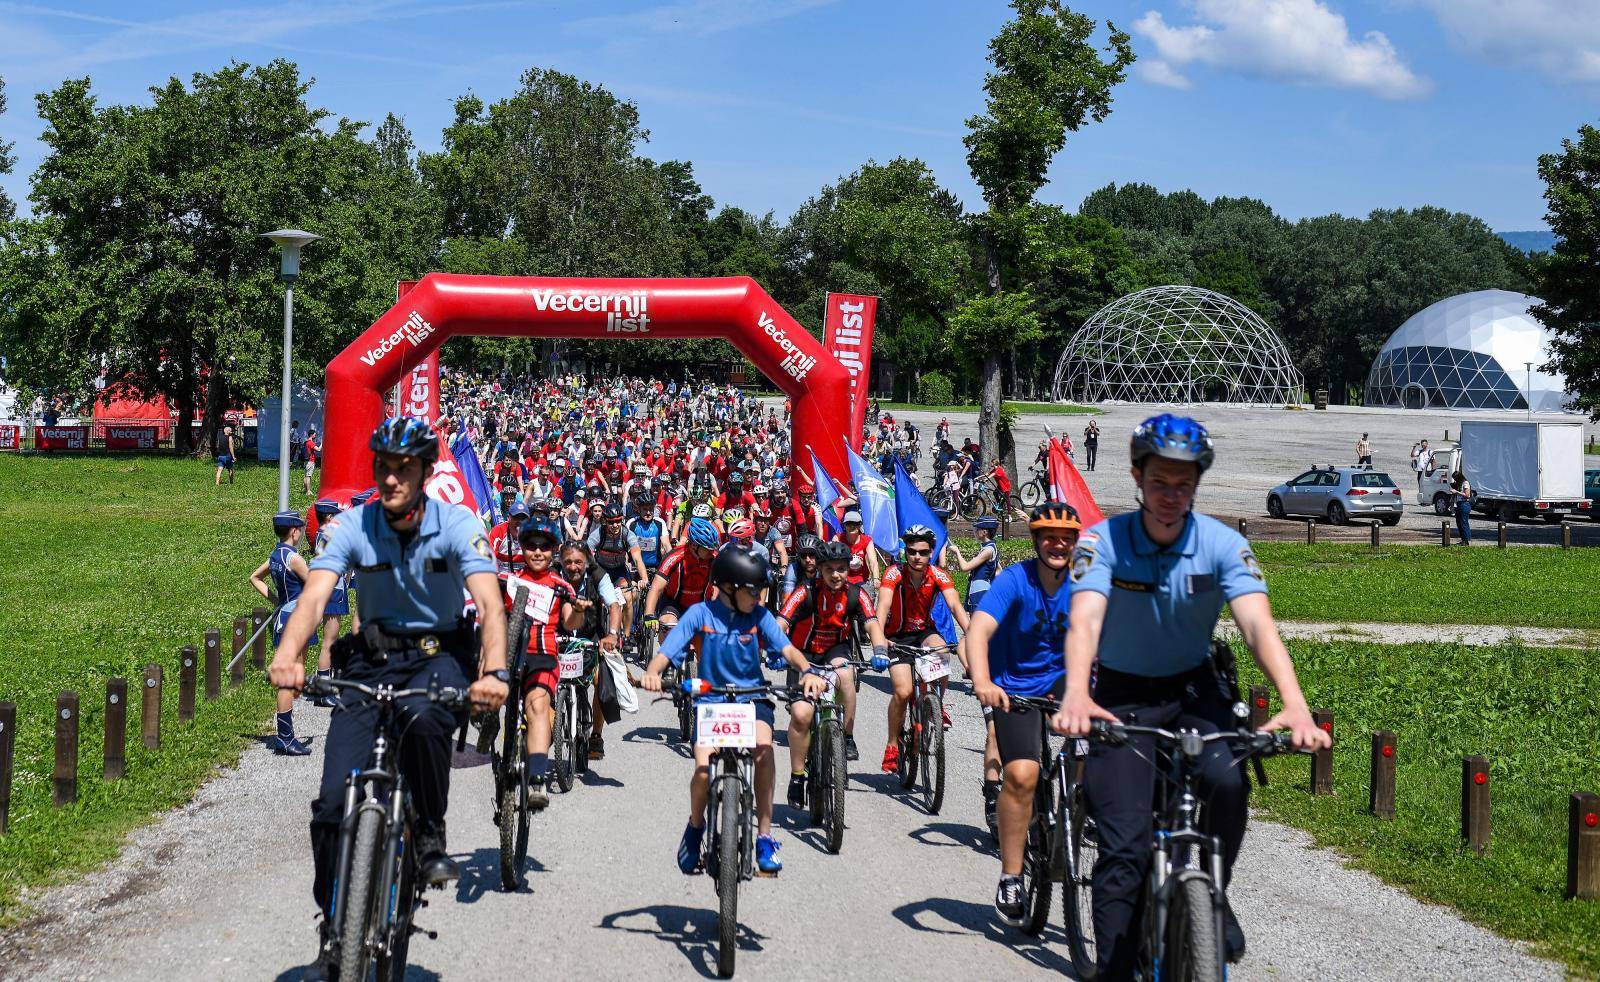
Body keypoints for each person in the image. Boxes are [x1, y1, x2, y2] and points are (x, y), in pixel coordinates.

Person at [1052, 413, 1330, 977]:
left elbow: (1258, 627)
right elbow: (1084, 621)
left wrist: (1295, 703)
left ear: (1197, 484)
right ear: (1137, 476)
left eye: (1184, 484)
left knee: (1228, 778)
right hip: (1121, 695)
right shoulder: (1102, 542)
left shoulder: (1223, 544)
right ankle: (1114, 969)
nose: (1171, 496)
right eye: (1159, 482)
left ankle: (1212, 892)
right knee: (1124, 848)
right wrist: (1077, 694)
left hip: (1195, 688)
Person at [268, 417, 510, 981]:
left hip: (438, 657)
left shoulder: (458, 523)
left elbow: (491, 603)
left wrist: (494, 670)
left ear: (425, 473)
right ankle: (337, 922)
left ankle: (428, 830)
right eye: (383, 467)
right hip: (370, 661)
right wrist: (290, 654)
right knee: (331, 805)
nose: (392, 477)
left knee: (427, 723)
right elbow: (314, 597)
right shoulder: (352, 524)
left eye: (404, 468)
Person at [641, 546, 827, 876]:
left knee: (764, 750)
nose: (759, 596)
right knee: (702, 769)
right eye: (753, 589)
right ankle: (695, 827)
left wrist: (808, 671)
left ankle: (765, 836)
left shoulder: (759, 615)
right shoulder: (699, 614)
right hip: (711, 702)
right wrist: (654, 672)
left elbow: (787, 649)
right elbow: (669, 649)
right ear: (729, 587)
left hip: (752, 697)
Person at [966, 502, 1080, 923]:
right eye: (1049, 536)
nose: (1058, 544)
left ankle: (1079, 810)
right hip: (1015, 691)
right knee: (1022, 775)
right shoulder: (1015, 580)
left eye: (1066, 538)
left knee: (1095, 752)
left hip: (1069, 689)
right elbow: (979, 629)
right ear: (1035, 541)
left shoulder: (1084, 582)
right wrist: (983, 682)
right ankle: (1012, 874)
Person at [777, 541, 889, 771]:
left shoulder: (856, 594)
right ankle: (797, 775)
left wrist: (879, 651)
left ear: (849, 569)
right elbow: (781, 623)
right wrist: (774, 649)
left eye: (841, 569)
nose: (836, 575)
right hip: (803, 654)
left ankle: (847, 736)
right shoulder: (805, 591)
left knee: (846, 676)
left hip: (835, 650)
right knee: (801, 715)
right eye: (829, 569)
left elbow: (872, 624)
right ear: (819, 569)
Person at [876, 524, 969, 770]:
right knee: (903, 692)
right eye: (912, 551)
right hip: (896, 636)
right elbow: (883, 605)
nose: (917, 557)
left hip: (924, 633)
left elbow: (956, 606)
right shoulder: (893, 574)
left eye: (923, 552)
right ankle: (892, 744)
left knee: (942, 649)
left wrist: (972, 633)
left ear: (931, 553)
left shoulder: (938, 575)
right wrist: (880, 640)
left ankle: (937, 703)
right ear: (905, 552)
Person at [249, 511, 313, 755]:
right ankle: (285, 738)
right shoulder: (295, 558)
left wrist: (277, 600)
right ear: (295, 531)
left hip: (284, 617)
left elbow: (254, 577)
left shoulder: (276, 555)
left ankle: (286, 734)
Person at [558, 541, 624, 760]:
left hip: (591, 637)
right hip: (559, 636)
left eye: (578, 562)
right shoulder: (553, 576)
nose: (573, 567)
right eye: (568, 562)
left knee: (601, 681)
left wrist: (612, 634)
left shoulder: (599, 576)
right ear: (561, 561)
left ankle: (596, 734)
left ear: (587, 562)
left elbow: (614, 606)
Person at [311, 499, 355, 703]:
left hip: (330, 589)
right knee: (330, 641)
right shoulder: (329, 536)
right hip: (333, 591)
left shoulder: (321, 535)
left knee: (331, 640)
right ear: (329, 517)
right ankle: (323, 691)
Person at [950, 515, 1000, 612]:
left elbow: (965, 567)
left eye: (977, 529)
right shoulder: (991, 547)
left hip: (979, 591)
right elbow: (998, 570)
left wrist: (957, 552)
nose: (975, 531)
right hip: (981, 588)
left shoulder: (988, 550)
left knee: (975, 624)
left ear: (985, 532)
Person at [1453, 470, 1473, 544]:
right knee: (1459, 522)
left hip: (1465, 504)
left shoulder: (1465, 483)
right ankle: (1463, 540)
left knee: (1464, 522)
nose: (1455, 480)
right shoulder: (1460, 484)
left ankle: (1467, 540)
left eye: (1455, 478)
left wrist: (1457, 492)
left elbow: (1467, 495)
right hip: (1459, 504)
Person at [303, 425, 320, 496]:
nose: (315, 435)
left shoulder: (306, 442)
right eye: (314, 434)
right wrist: (322, 444)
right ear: (311, 435)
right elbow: (318, 449)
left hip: (306, 461)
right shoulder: (311, 442)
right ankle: (308, 491)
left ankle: (305, 489)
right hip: (310, 461)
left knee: (306, 475)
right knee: (309, 476)